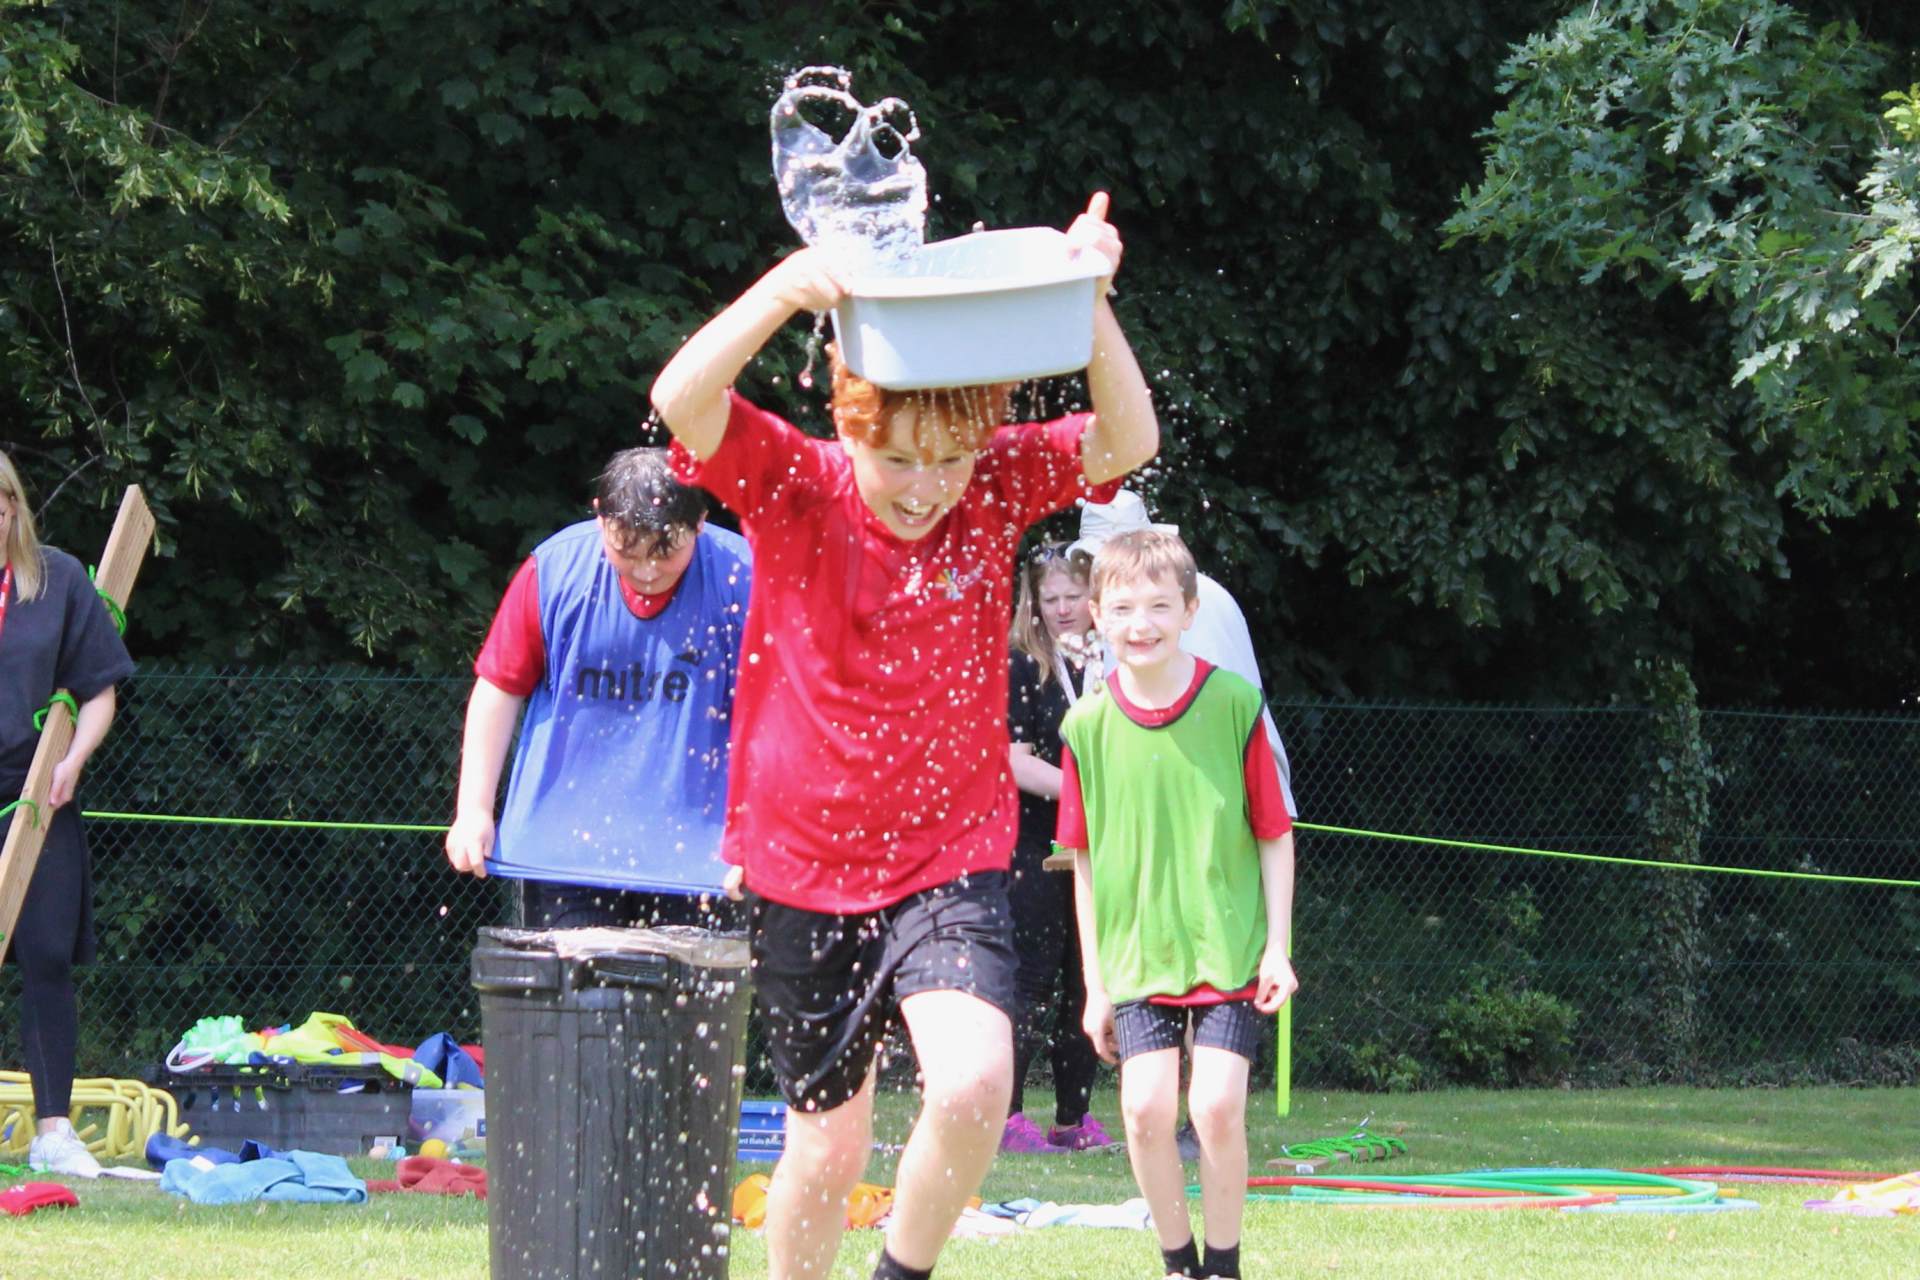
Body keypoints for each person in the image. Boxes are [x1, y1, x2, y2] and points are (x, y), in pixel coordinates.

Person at [649, 191, 1156, 1280]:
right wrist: (784, 291)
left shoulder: (995, 488)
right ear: (849, 423)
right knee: (828, 1145)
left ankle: (899, 1272)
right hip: (803, 864)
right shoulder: (796, 484)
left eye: (951, 461)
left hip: (949, 852)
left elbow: (1131, 438)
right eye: (902, 461)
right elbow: (680, 398)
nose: (930, 489)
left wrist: (1089, 302)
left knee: (974, 1083)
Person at [1057, 528, 1296, 1280]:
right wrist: (1095, 984)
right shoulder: (1085, 727)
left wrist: (1278, 948)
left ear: (1191, 611)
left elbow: (1275, 834)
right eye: (1124, 607)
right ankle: (1177, 1263)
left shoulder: (1235, 704)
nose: (1142, 623)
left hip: (1228, 945)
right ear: (1097, 615)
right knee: (1144, 1111)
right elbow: (1084, 862)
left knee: (1216, 1106)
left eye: (1161, 606)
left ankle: (1223, 1265)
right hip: (1137, 955)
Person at [445, 448, 751, 929]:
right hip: (563, 855)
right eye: (627, 551)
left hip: (703, 861)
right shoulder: (553, 571)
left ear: (700, 523)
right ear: (600, 517)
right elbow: (499, 687)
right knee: (573, 982)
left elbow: (784, 718)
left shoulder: (745, 578)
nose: (647, 570)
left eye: (665, 552)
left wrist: (767, 837)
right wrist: (473, 811)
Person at [0, 452, 135, 1178]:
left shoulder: (57, 579)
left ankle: (53, 1130)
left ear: (13, 507)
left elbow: (98, 689)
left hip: (37, 791)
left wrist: (72, 761)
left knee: (46, 953)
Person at [1068, 488, 1296, 817]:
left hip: (1222, 802)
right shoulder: (1159, 600)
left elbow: (1204, 718)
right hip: (1212, 799)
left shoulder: (1175, 606)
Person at [1001, 542, 1108, 1153]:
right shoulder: (1022, 664)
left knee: (1088, 975)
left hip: (1099, 842)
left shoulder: (1113, 661)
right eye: (1051, 598)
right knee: (1032, 976)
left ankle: (1074, 1117)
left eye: (1074, 596)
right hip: (1034, 841)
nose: (1064, 609)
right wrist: (1086, 793)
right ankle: (1007, 1115)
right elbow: (1013, 762)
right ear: (1034, 603)